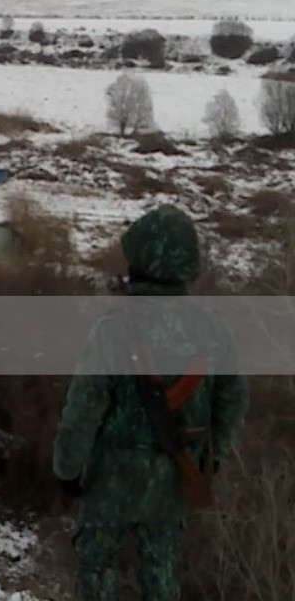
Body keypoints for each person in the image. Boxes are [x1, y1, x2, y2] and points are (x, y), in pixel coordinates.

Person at [53, 205, 248, 601]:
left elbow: (84, 407)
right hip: (174, 474)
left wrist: (67, 470)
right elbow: (232, 402)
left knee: (97, 566)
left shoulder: (112, 329)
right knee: (161, 570)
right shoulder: (214, 329)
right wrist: (210, 460)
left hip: (111, 477)